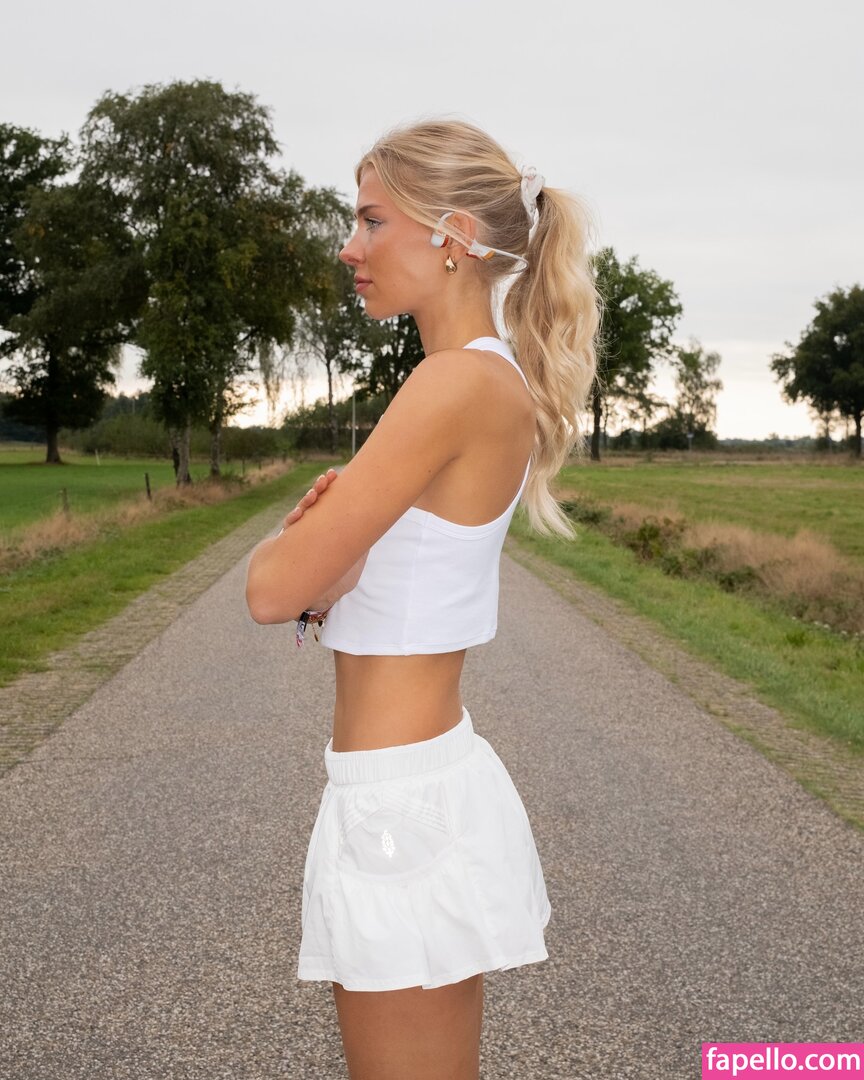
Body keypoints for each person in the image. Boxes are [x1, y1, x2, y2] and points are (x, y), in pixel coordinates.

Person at [246, 118, 599, 1080]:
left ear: (452, 236)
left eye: (370, 221)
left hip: (399, 803)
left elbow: (270, 590)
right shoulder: (477, 380)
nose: (348, 247)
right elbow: (335, 590)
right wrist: (325, 574)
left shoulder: (452, 385)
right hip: (402, 789)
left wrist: (302, 554)